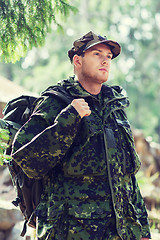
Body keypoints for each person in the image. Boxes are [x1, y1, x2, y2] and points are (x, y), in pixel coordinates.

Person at [11, 31, 151, 240]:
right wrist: (68, 119)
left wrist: (143, 231)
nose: (105, 60)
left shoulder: (115, 107)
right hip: (70, 232)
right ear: (77, 61)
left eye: (109, 56)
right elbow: (28, 161)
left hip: (120, 233)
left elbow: (127, 177)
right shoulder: (55, 102)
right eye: (97, 54)